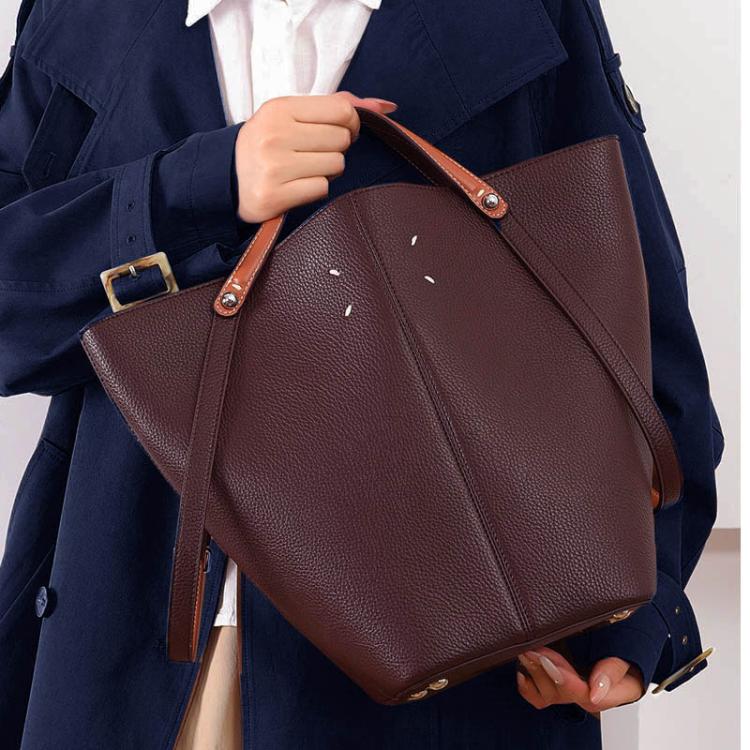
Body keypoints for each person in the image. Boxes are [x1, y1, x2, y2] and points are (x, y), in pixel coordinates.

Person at [0, 0, 723, 748]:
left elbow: (634, 320)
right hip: (128, 619)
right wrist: (200, 183)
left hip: (455, 634)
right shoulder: (88, 13)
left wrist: (638, 612)